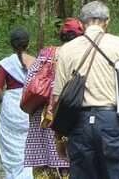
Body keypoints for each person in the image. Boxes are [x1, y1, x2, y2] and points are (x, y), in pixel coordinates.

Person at [51, 1, 119, 179]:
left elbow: (57, 100)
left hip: (79, 125)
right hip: (112, 122)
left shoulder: (66, 50)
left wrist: (59, 138)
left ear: (82, 23)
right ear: (107, 22)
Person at [23, 18, 84, 178]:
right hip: (67, 113)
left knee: (44, 165)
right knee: (68, 162)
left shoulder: (46, 53)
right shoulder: (81, 56)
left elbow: (29, 82)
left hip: (42, 115)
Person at [0, 28, 36, 179]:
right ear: (28, 44)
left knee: (12, 143)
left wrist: (4, 102)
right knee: (30, 141)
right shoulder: (36, 62)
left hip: (11, 107)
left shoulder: (6, 64)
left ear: (11, 44)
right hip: (30, 106)